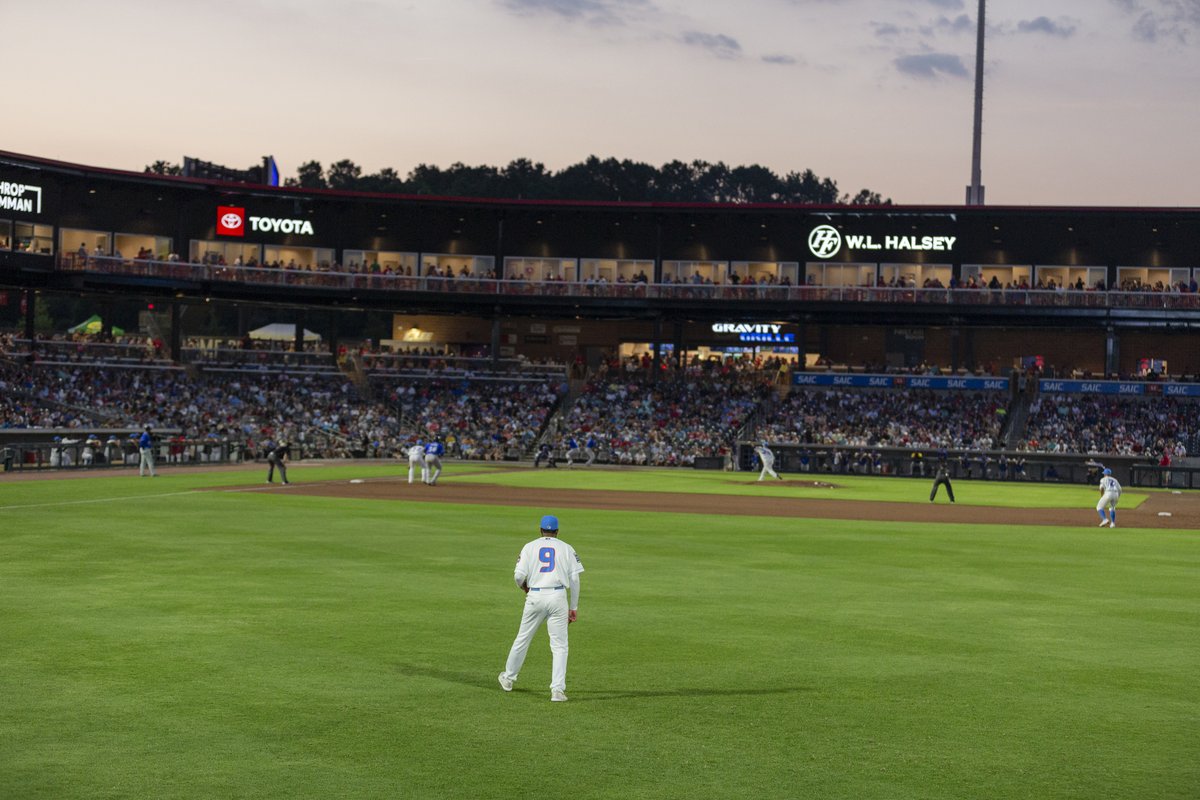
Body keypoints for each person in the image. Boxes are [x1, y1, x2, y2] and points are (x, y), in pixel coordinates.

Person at [498, 515, 584, 702]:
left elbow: (518, 576)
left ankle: (508, 678)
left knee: (523, 638)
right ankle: (557, 690)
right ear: (557, 532)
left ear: (540, 530)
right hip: (558, 597)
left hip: (535, 596)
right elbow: (575, 579)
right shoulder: (566, 548)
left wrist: (525, 588)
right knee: (560, 646)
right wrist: (574, 607)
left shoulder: (529, 546)